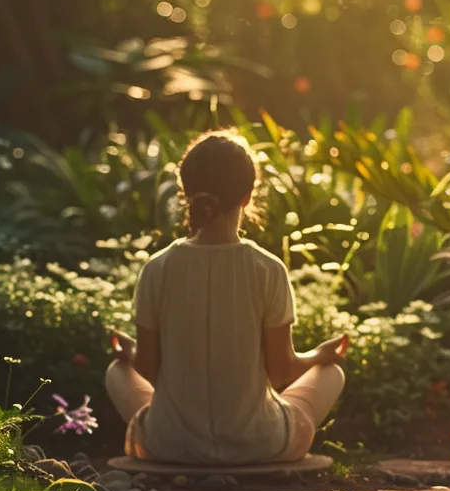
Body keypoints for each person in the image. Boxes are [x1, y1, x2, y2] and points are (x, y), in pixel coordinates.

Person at [104, 130, 348, 465]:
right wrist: (319, 356)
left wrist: (129, 351)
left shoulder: (157, 268)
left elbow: (147, 367)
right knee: (331, 373)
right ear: (248, 196)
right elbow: (281, 371)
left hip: (168, 445)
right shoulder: (268, 268)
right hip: (262, 444)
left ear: (186, 192)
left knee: (117, 371)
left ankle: (172, 437)